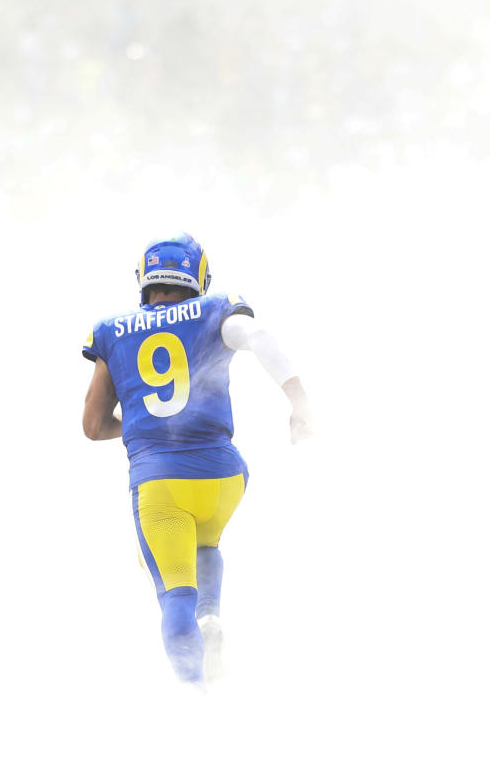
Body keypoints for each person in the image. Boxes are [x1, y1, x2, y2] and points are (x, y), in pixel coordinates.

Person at [81, 232, 312, 687]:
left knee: (172, 592)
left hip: (161, 483)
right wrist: (299, 401)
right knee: (204, 543)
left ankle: (197, 699)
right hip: (225, 477)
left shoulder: (112, 331)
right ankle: (211, 616)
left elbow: (92, 425)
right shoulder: (214, 308)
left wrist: (142, 425)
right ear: (198, 276)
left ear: (145, 281)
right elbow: (258, 336)